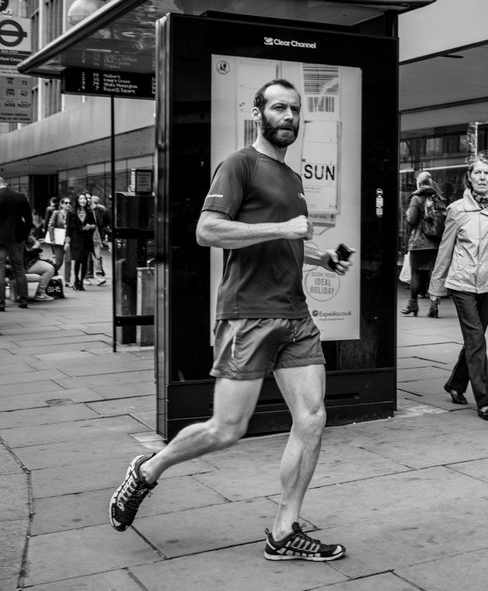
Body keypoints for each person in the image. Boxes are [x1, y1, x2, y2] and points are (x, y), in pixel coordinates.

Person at [108, 78, 352, 563]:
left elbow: (288, 242)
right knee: (226, 428)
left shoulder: (293, 178)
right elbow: (207, 230)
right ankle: (148, 469)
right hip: (248, 315)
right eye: (279, 107)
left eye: (296, 110)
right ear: (258, 114)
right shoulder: (240, 164)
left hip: (295, 315)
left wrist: (321, 258)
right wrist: (284, 227)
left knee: (312, 419)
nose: (288, 116)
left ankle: (284, 531)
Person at [429, 154, 488, 421]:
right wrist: (436, 288)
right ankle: (484, 402)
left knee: (473, 340)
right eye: (476, 173)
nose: (481, 178)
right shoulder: (457, 210)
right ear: (469, 177)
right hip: (462, 283)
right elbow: (445, 249)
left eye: (486, 173)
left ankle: (455, 384)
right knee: (477, 339)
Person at [401, 171, 444, 318]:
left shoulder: (417, 198)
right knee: (434, 274)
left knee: (415, 272)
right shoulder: (437, 198)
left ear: (419, 183)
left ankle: (413, 304)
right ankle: (434, 305)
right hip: (436, 243)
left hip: (419, 242)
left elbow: (412, 220)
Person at [0, 176, 33, 310]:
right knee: (19, 268)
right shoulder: (20, 197)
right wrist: (23, 235)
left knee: (0, 270)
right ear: (5, 183)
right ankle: (23, 299)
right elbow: (29, 220)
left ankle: (1, 303)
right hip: (16, 238)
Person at [66, 193, 97, 291]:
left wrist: (90, 226)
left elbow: (94, 225)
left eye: (84, 198)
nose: (83, 200)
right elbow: (68, 228)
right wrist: (67, 241)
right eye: (81, 198)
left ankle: (82, 281)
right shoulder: (72, 212)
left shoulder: (89, 211)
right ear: (77, 200)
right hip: (76, 239)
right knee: (78, 260)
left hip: (87, 239)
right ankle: (76, 280)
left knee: (84, 261)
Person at [23, 235, 57, 301]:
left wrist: (34, 246)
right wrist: (33, 248)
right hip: (26, 265)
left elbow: (35, 241)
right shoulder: (21, 237)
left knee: (49, 265)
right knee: (49, 269)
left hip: (21, 265)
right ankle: (40, 292)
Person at [46, 197, 72, 284]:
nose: (68, 204)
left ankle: (67, 280)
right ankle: (50, 274)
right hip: (58, 240)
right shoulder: (56, 213)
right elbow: (51, 225)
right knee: (59, 261)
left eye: (69, 203)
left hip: (67, 239)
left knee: (68, 260)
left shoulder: (71, 214)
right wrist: (52, 239)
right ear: (61, 204)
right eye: (65, 203)